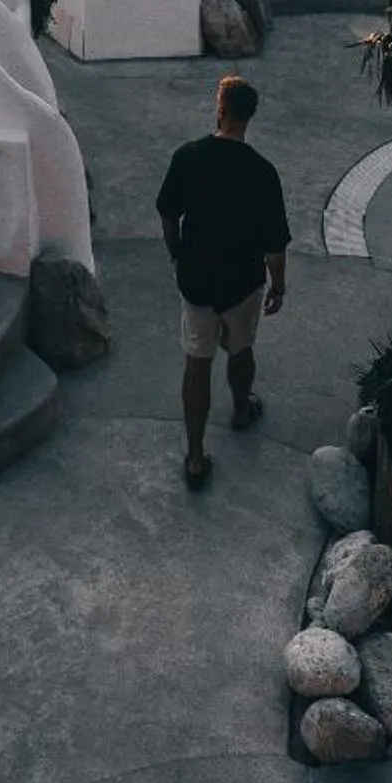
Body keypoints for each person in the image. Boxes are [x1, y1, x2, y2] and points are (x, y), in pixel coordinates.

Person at [156, 75, 291, 489]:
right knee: (241, 348)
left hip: (196, 280)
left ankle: (195, 457)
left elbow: (167, 213)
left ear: (221, 108)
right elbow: (274, 247)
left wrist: (177, 254)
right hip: (243, 281)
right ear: (250, 116)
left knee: (197, 362)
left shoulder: (188, 157)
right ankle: (240, 410)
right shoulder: (263, 173)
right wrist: (278, 286)